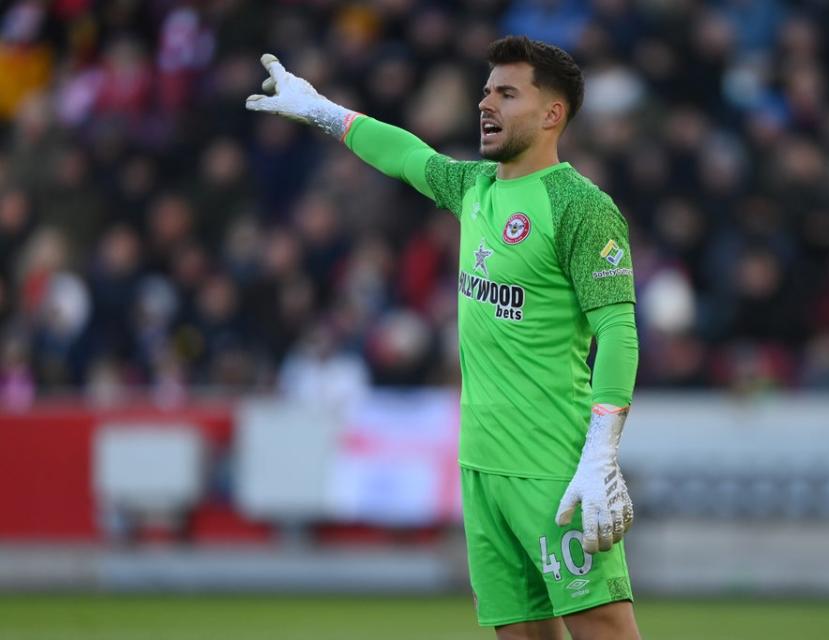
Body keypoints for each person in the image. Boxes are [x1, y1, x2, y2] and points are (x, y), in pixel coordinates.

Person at [247, 35, 641, 640]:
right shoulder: (475, 188)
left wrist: (600, 453)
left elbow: (617, 329)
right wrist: (323, 110)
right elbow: (404, 153)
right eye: (486, 92)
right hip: (480, 463)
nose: (486, 104)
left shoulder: (580, 206)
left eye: (507, 94)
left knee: (602, 628)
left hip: (553, 462)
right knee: (521, 633)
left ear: (552, 114)